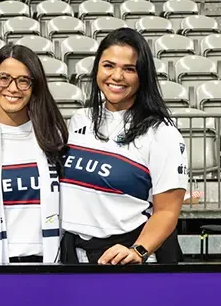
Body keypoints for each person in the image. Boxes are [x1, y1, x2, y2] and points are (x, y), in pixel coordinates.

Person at [60, 28, 188, 265]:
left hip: (127, 258)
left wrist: (138, 251)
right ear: (97, 68)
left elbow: (167, 212)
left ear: (143, 75)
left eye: (129, 69)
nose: (116, 76)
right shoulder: (80, 119)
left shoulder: (162, 134)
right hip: (75, 255)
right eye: (108, 65)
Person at [0, 44, 68, 264]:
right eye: (4, 78)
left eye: (23, 80)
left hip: (47, 263)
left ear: (34, 87)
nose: (13, 88)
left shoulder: (55, 139)